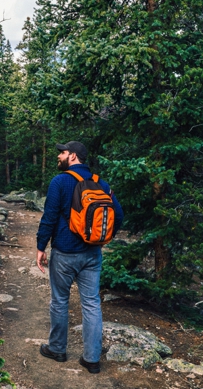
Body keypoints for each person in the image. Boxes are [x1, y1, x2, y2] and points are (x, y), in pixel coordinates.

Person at [36, 141, 124, 374]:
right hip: (92, 254)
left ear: (72, 156)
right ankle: (92, 359)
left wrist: (40, 247)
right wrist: (102, 237)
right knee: (91, 304)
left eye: (62, 153)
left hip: (64, 253)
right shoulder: (100, 183)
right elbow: (120, 215)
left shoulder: (60, 181)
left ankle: (57, 349)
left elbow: (50, 217)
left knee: (59, 301)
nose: (59, 156)